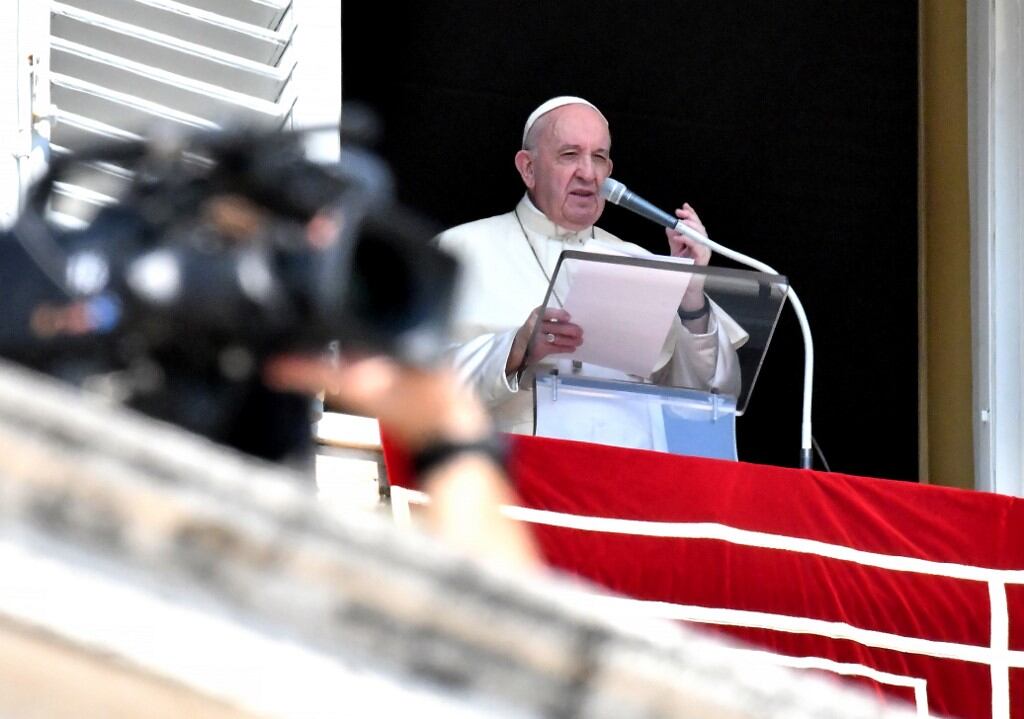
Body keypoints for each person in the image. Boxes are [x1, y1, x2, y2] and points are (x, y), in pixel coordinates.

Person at [436, 96, 748, 435]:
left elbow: (706, 403)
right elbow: (411, 385)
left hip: (626, 475)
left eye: (599, 158)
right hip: (512, 475)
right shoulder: (458, 250)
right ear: (528, 168)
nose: (588, 173)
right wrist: (516, 348)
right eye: (569, 155)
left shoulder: (638, 262)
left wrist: (691, 298)